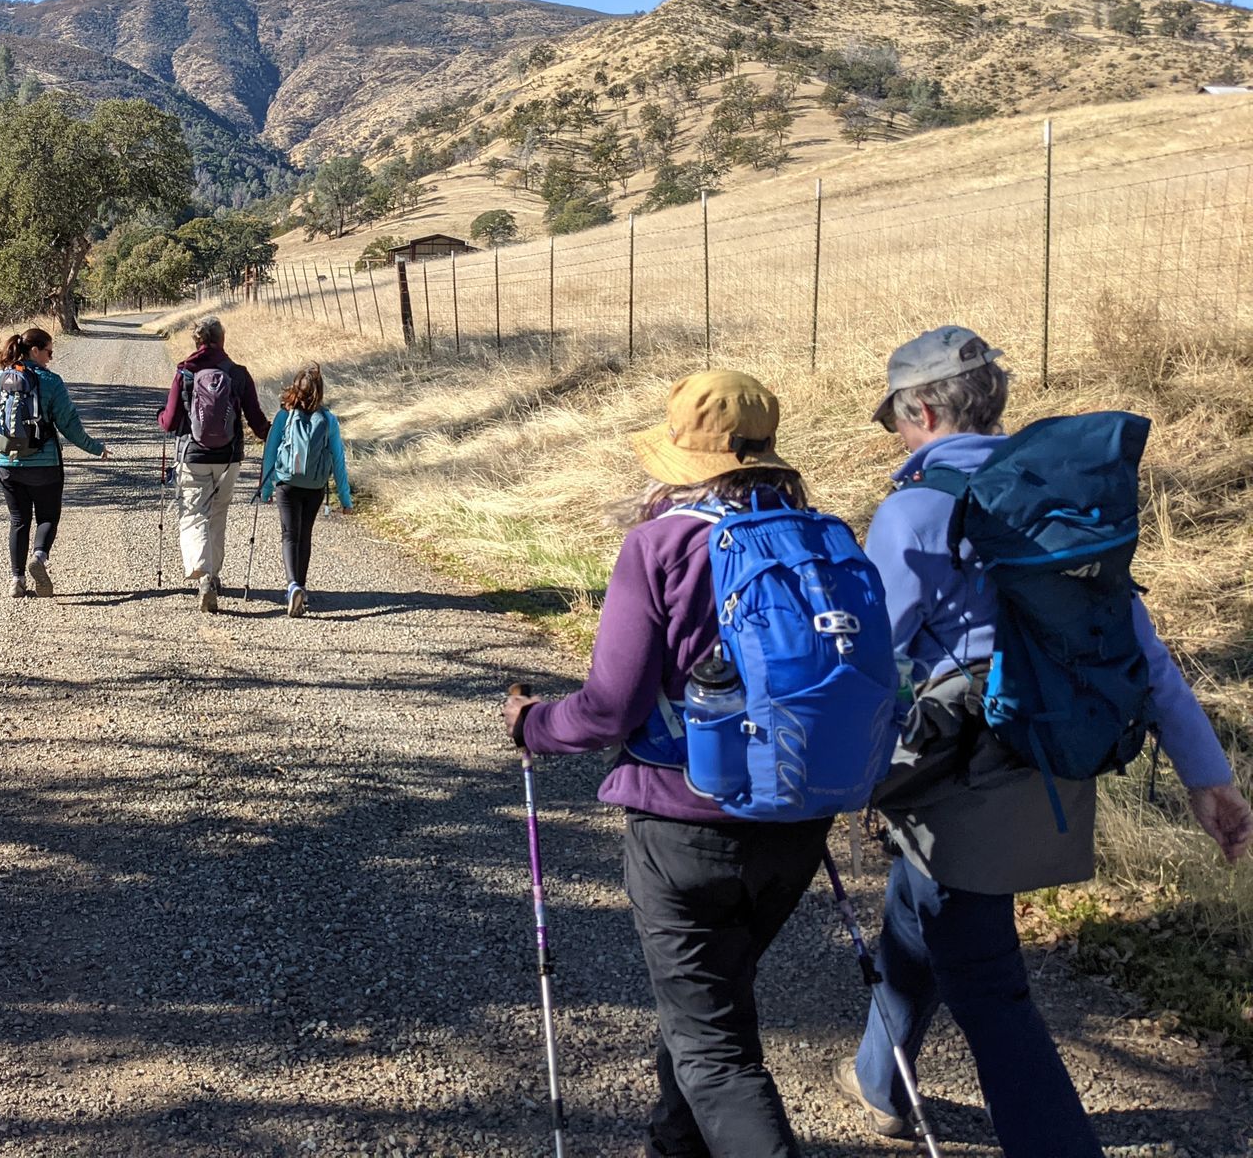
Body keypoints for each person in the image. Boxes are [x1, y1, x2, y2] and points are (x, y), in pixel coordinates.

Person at [835, 325, 1252, 1155]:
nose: (900, 435)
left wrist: (829, 775)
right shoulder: (1066, 503)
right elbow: (1143, 651)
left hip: (957, 773)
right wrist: (1210, 777)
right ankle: (882, 1080)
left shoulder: (916, 510)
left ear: (921, 408)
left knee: (988, 984)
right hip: (1054, 758)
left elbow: (871, 658)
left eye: (899, 420)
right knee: (919, 912)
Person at [502, 370, 829, 1158]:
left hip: (685, 825)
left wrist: (531, 725)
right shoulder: (822, 534)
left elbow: (609, 708)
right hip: (799, 817)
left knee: (716, 1049)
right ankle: (671, 1147)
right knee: (713, 1006)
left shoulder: (663, 544)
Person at [0, 328, 110, 598]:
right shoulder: (51, 381)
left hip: (6, 464)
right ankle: (39, 556)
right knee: (47, 517)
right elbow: (69, 424)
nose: (51, 356)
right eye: (49, 351)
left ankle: (16, 580)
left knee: (18, 520)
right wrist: (96, 449)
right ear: (35, 351)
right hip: (45, 465)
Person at [156, 315, 270, 613]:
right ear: (222, 339)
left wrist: (159, 417)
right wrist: (276, 435)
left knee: (194, 514)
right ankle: (214, 575)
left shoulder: (185, 373)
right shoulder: (239, 374)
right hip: (229, 458)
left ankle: (203, 574)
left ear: (197, 341)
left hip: (192, 456)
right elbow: (257, 421)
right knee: (218, 514)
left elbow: (169, 423)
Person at [257, 363, 353, 617]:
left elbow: (269, 454)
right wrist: (345, 498)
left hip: (287, 483)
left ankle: (292, 586)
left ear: (295, 390)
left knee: (289, 534)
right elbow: (338, 460)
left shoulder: (283, 416)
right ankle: (301, 585)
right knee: (305, 536)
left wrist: (266, 488)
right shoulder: (329, 419)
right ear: (320, 392)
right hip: (314, 486)